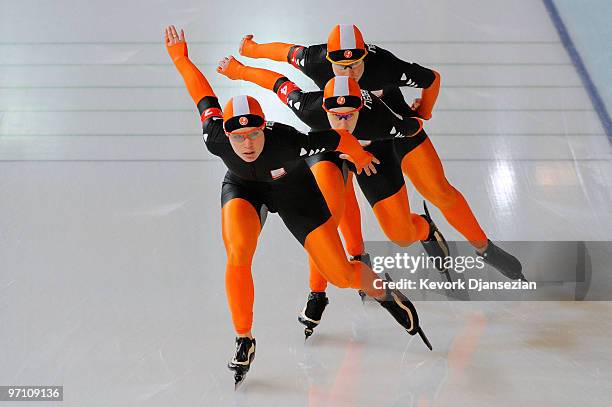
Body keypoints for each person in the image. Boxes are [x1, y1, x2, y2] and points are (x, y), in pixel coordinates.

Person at [164, 25, 432, 386]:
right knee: (238, 251)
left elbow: (335, 137)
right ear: (225, 134)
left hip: (293, 191)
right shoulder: (215, 136)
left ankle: (383, 291)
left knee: (340, 275)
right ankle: (244, 338)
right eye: (238, 137)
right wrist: (182, 59)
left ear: (264, 129)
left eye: (254, 134)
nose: (247, 144)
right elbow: (202, 93)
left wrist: (359, 155)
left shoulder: (288, 142)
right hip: (244, 188)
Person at [238, 24, 524, 279]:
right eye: (340, 67)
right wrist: (252, 50)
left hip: (391, 128)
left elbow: (431, 79)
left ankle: (483, 247)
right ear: (328, 61)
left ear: (365, 56)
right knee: (366, 211)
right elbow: (285, 53)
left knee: (438, 190)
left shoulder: (384, 65)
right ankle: (382, 245)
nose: (349, 73)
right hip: (347, 134)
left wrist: (424, 111)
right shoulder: (313, 60)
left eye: (356, 66)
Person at [218, 57, 454, 338]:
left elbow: (413, 127)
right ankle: (318, 292)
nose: (342, 122)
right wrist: (241, 68)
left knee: (399, 232)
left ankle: (424, 229)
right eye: (334, 114)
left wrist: (421, 113)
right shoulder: (308, 108)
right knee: (325, 218)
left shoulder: (382, 120)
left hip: (370, 153)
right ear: (324, 107)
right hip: (325, 148)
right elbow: (276, 82)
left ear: (361, 109)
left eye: (349, 114)